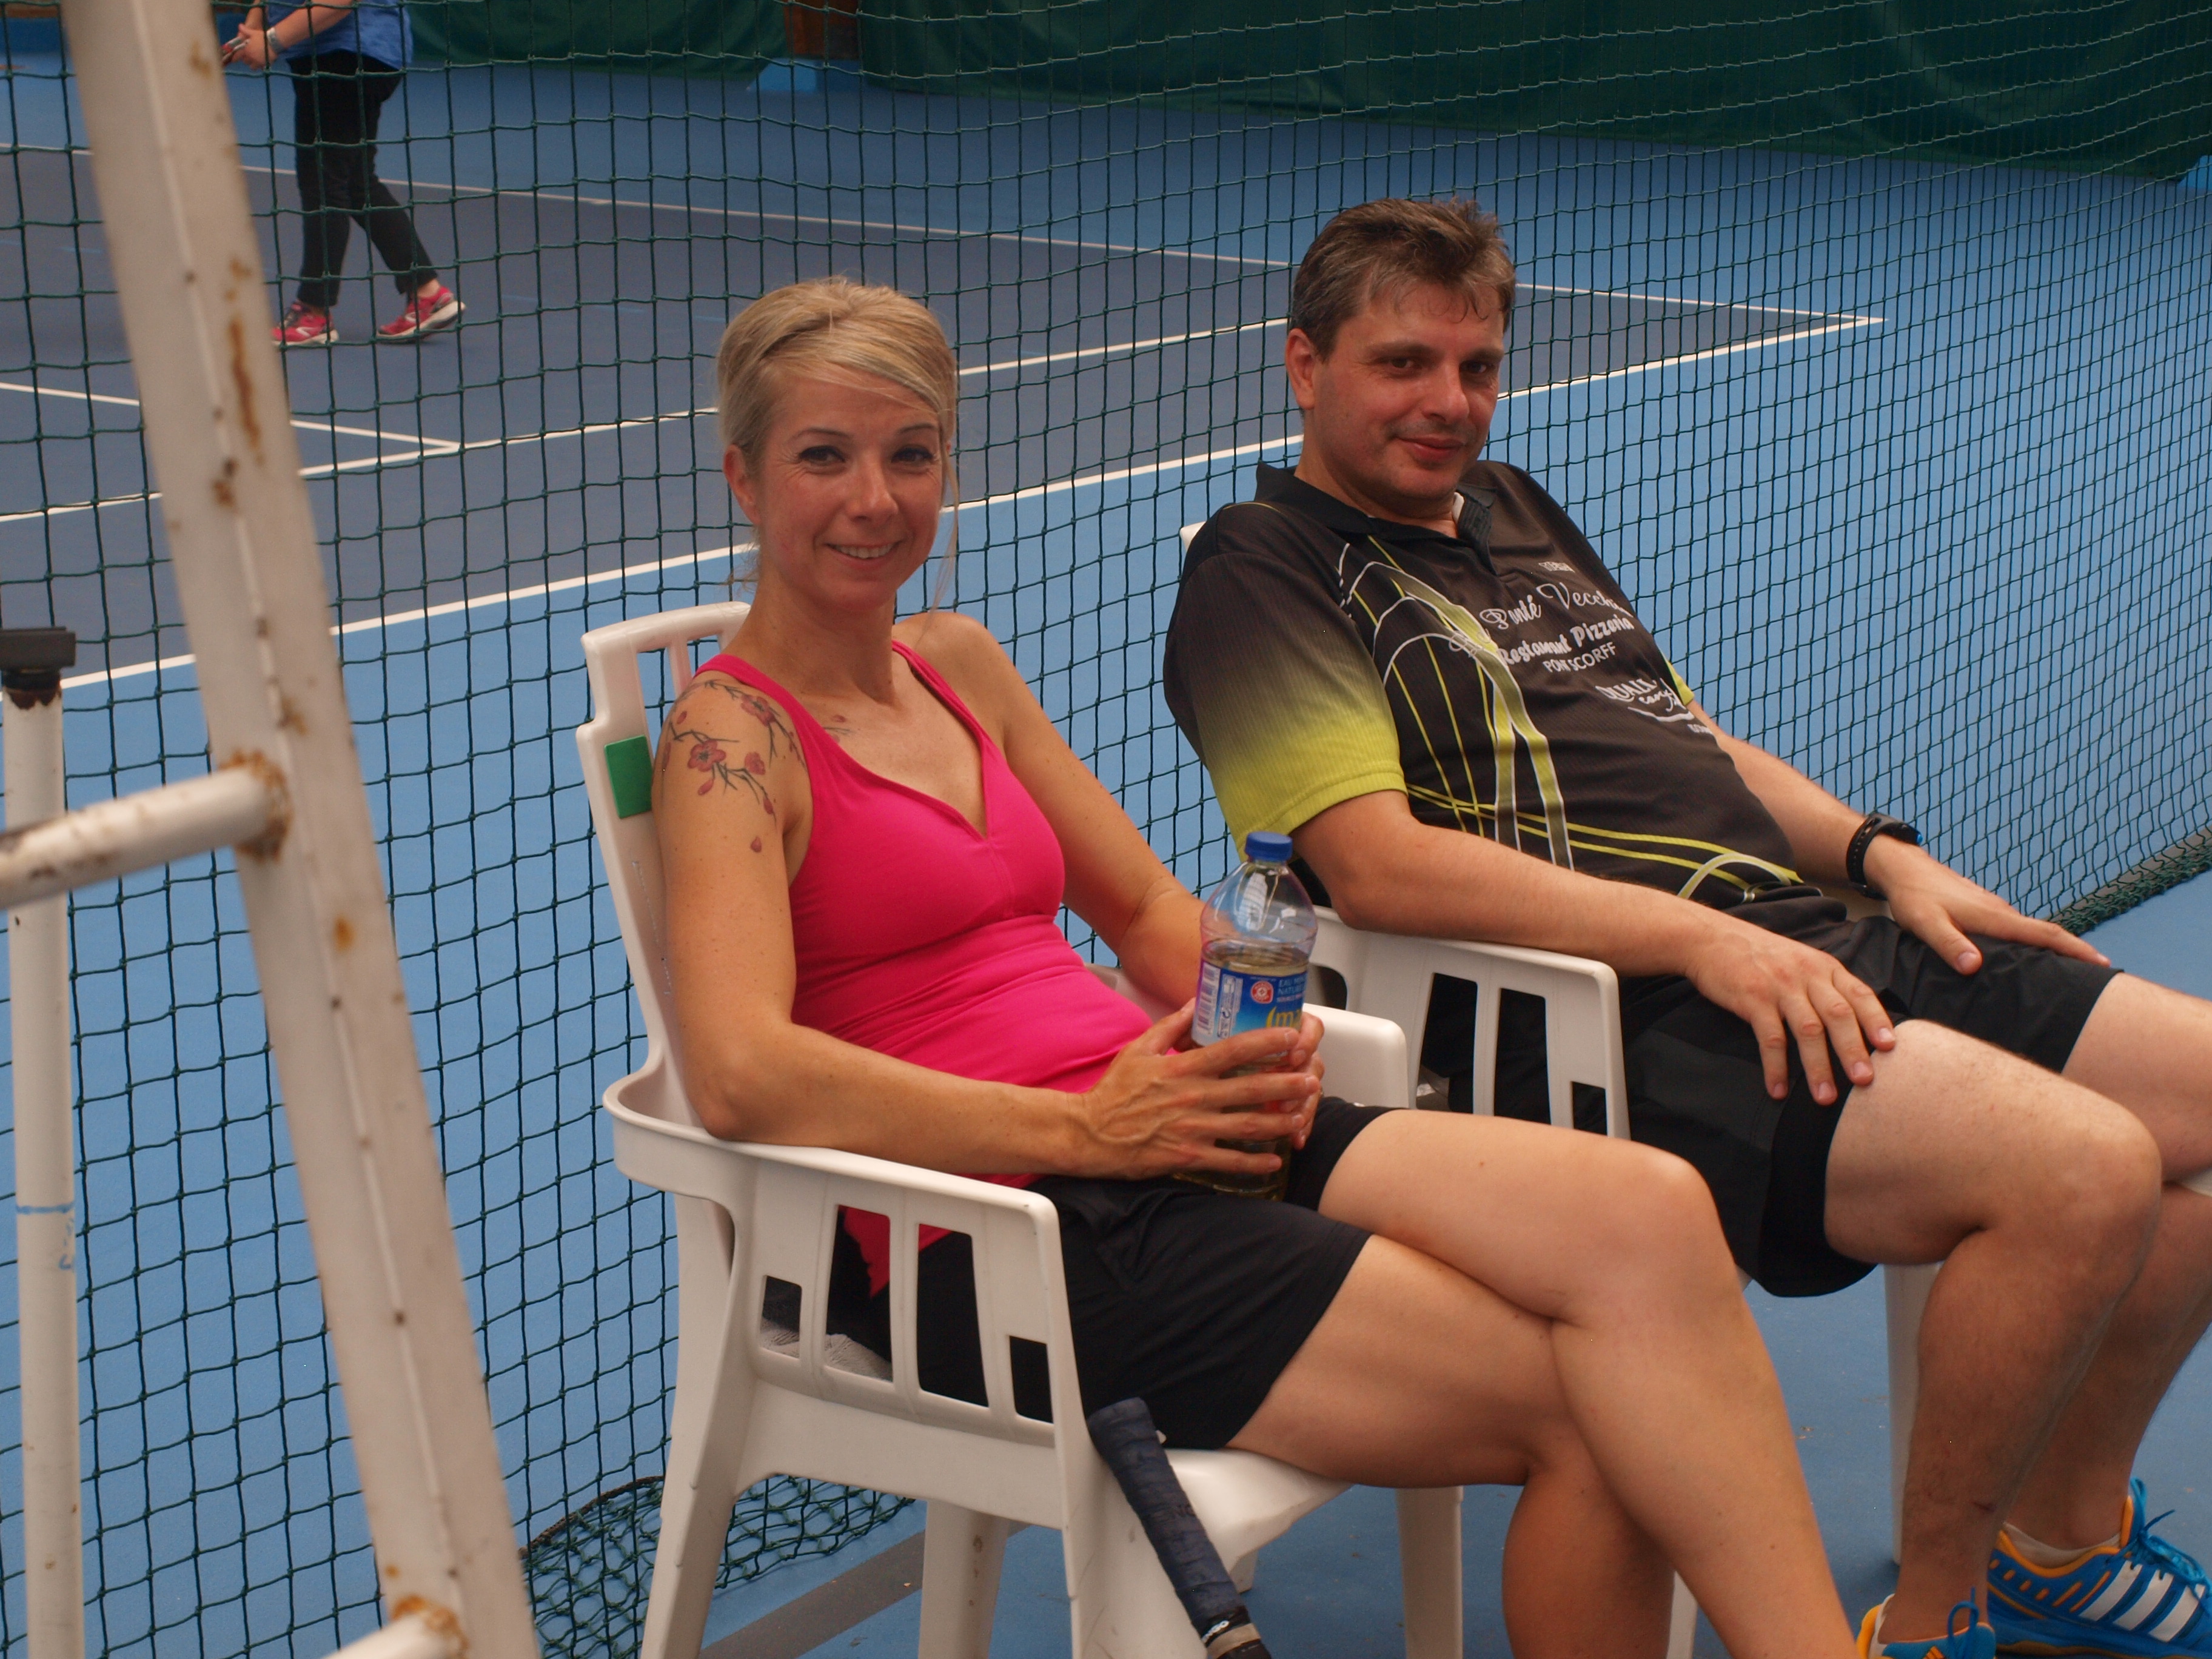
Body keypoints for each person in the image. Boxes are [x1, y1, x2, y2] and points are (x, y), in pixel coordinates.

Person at [654, 275, 1872, 1659]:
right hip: (992, 1228)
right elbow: (740, 1075)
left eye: (911, 453)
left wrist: (1266, 1007)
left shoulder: (956, 664)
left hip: (1175, 1120)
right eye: (824, 455)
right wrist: (1084, 1129)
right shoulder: (726, 742)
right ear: (744, 474)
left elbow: (1146, 913)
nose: (875, 499)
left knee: (1652, 1213)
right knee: (1602, 1405)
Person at [1162, 195, 2212, 1659]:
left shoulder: (1512, 505)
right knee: (2086, 1170)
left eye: (1476, 365)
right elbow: (1378, 867)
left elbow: (1688, 741)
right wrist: (1697, 939)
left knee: (2193, 1122)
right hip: (1612, 1018)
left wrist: (1882, 855)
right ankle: (1930, 1618)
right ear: (1305, 364)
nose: (1448, 402)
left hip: (1793, 933)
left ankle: (2058, 1537)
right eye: (1403, 363)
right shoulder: (1262, 567)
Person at [223, 0, 462, 345]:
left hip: (345, 54)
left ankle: (313, 312)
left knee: (323, 180)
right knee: (355, 183)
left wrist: (273, 40)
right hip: (339, 52)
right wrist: (256, 27)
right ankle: (428, 293)